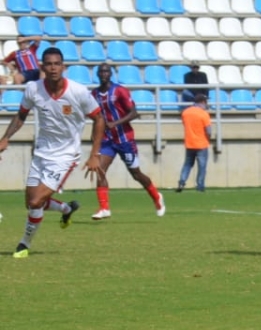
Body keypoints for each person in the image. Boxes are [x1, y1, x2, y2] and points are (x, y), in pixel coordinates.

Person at [0, 47, 103, 259]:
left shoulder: (78, 92)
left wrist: (95, 154)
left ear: (63, 67)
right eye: (49, 64)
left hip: (65, 156)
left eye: (57, 64)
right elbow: (21, 115)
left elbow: (99, 118)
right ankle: (66, 209)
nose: (53, 68)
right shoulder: (33, 89)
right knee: (30, 202)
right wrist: (5, 137)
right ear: (42, 67)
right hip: (41, 153)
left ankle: (23, 245)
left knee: (36, 202)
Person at [89, 63, 165, 220]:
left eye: (106, 71)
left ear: (111, 74)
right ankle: (104, 208)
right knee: (100, 169)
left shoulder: (119, 91)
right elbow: (96, 118)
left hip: (124, 139)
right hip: (107, 140)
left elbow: (134, 113)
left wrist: (115, 123)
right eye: (101, 71)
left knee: (136, 174)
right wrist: (94, 134)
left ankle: (156, 196)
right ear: (97, 74)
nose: (104, 74)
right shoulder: (94, 94)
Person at [177, 92, 212, 193]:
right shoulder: (204, 114)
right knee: (202, 166)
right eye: (205, 102)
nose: (206, 104)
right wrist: (209, 138)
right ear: (202, 102)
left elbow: (185, 124)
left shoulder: (185, 112)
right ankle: (200, 186)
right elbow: (208, 130)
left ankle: (182, 182)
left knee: (187, 164)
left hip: (189, 142)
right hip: (201, 143)